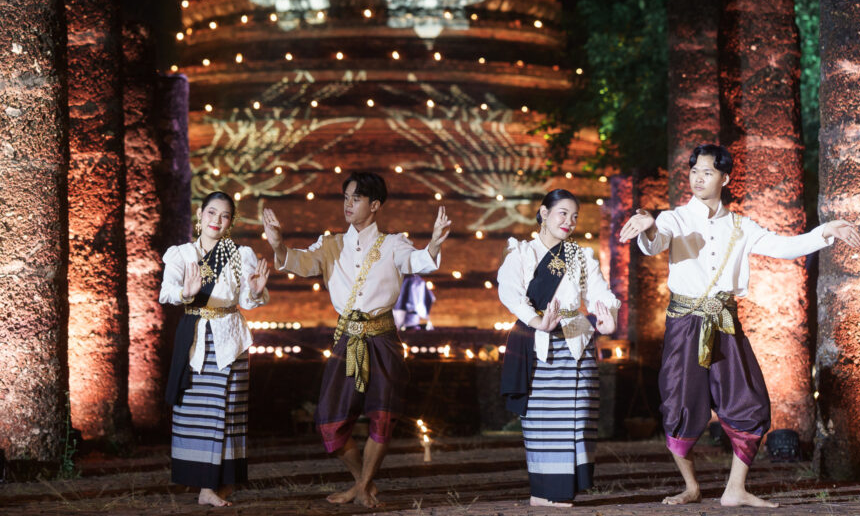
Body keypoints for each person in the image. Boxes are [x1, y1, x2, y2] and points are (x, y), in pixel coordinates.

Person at [619, 144, 860, 508]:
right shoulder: (673, 219)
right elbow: (655, 244)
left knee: (750, 401)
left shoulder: (740, 226)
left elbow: (783, 246)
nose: (698, 178)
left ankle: (735, 489)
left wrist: (825, 230)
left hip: (726, 323)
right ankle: (691, 486)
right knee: (679, 405)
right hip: (685, 323)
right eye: (694, 171)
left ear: (725, 178)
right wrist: (649, 225)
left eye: (707, 172)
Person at [261, 172, 450, 508]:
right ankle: (362, 483)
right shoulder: (331, 243)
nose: (348, 204)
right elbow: (302, 263)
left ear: (375, 205)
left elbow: (418, 261)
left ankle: (361, 487)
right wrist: (277, 245)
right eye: (345, 197)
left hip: (383, 340)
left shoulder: (394, 244)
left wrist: (435, 242)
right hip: (346, 339)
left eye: (356, 198)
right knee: (330, 422)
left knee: (382, 416)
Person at [497, 188, 620, 508]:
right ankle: (544, 492)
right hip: (537, 342)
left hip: (577, 336)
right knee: (543, 420)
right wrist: (536, 321)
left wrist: (608, 318)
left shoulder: (581, 255)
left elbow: (600, 294)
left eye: (575, 216)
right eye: (562, 213)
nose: (570, 221)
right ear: (543, 213)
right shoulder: (522, 254)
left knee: (577, 418)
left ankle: (565, 491)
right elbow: (510, 293)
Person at [160, 191, 271, 507]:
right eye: (211, 212)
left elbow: (248, 302)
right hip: (195, 340)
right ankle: (204, 486)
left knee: (228, 411)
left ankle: (221, 483)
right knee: (198, 412)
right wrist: (186, 291)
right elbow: (166, 293)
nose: (216, 220)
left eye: (224, 216)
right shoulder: (181, 254)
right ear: (200, 215)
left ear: (230, 222)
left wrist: (256, 292)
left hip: (229, 339)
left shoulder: (240, 254)